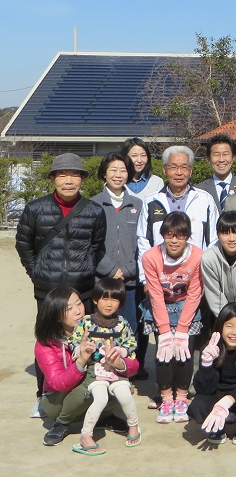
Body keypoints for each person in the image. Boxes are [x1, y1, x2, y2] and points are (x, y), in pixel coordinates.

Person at [16, 152, 106, 418]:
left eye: (75, 175)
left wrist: (85, 270)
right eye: (62, 175)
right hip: (48, 290)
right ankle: (44, 396)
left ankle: (86, 394)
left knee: (86, 341)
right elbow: (24, 245)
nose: (69, 180)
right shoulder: (35, 209)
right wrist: (37, 273)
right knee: (49, 342)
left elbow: (97, 246)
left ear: (82, 179)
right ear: (53, 178)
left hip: (82, 289)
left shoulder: (94, 210)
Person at [36, 287, 127, 447]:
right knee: (89, 386)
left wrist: (120, 364)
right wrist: (81, 360)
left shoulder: (99, 327)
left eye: (79, 303)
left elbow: (132, 363)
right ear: (56, 316)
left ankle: (104, 416)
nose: (78, 311)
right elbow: (58, 383)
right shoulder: (46, 344)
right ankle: (62, 423)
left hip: (91, 386)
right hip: (57, 399)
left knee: (120, 381)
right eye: (69, 309)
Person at [140, 211, 204, 425]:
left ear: (187, 236)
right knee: (164, 352)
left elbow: (195, 292)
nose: (174, 240)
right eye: (169, 235)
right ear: (163, 236)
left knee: (184, 352)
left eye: (180, 235)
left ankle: (182, 397)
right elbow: (155, 293)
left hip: (187, 305)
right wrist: (165, 330)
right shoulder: (150, 257)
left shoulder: (197, 256)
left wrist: (183, 328)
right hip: (162, 306)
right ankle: (166, 398)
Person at [68, 278, 141, 454]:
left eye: (114, 299)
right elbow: (73, 342)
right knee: (101, 398)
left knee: (125, 395)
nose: (109, 304)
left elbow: (131, 344)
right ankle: (86, 435)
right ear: (95, 299)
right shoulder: (86, 322)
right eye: (104, 298)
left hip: (115, 369)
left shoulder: (122, 323)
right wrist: (82, 349)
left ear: (121, 302)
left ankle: (134, 427)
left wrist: (119, 352)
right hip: (95, 370)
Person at [91, 152, 145, 377]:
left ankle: (126, 373)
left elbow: (143, 241)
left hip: (130, 281)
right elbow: (90, 245)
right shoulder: (93, 204)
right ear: (104, 173)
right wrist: (111, 270)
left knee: (129, 328)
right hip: (103, 281)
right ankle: (101, 372)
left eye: (123, 170)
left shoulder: (138, 204)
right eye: (113, 169)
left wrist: (129, 270)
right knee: (102, 326)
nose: (118, 174)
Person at [136, 145, 219, 283]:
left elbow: (213, 241)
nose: (179, 172)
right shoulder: (152, 201)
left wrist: (206, 277)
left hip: (196, 278)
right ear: (164, 170)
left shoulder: (205, 200)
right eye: (173, 167)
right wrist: (146, 280)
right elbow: (143, 242)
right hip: (160, 278)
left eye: (184, 167)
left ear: (190, 171)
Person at [188, 302, 236, 446]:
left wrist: (230, 399)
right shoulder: (210, 348)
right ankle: (218, 427)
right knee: (199, 404)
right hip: (218, 393)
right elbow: (204, 389)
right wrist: (206, 365)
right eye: (229, 326)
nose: (234, 332)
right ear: (220, 326)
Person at [196, 134, 236, 211]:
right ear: (208, 159)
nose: (221, 159)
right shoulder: (199, 190)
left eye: (225, 154)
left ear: (233, 157)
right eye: (216, 154)